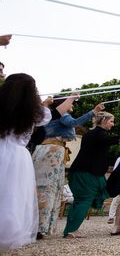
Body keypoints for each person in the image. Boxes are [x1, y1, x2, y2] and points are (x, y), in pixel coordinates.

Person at [33, 94, 104, 238]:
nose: (73, 105)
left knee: (47, 187)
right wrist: (93, 112)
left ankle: (39, 225)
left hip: (49, 151)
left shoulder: (51, 116)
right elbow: (75, 123)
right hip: (52, 152)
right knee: (48, 188)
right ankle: (40, 227)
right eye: (70, 102)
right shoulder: (63, 115)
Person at [63, 111, 120, 238]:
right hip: (86, 173)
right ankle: (71, 230)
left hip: (84, 172)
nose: (113, 124)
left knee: (82, 200)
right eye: (111, 121)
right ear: (103, 121)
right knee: (84, 200)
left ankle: (70, 229)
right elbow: (109, 139)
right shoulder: (98, 134)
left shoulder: (91, 134)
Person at [0, 74, 52, 250]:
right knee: (12, 195)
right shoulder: (36, 112)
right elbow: (46, 116)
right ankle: (8, 231)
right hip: (17, 157)